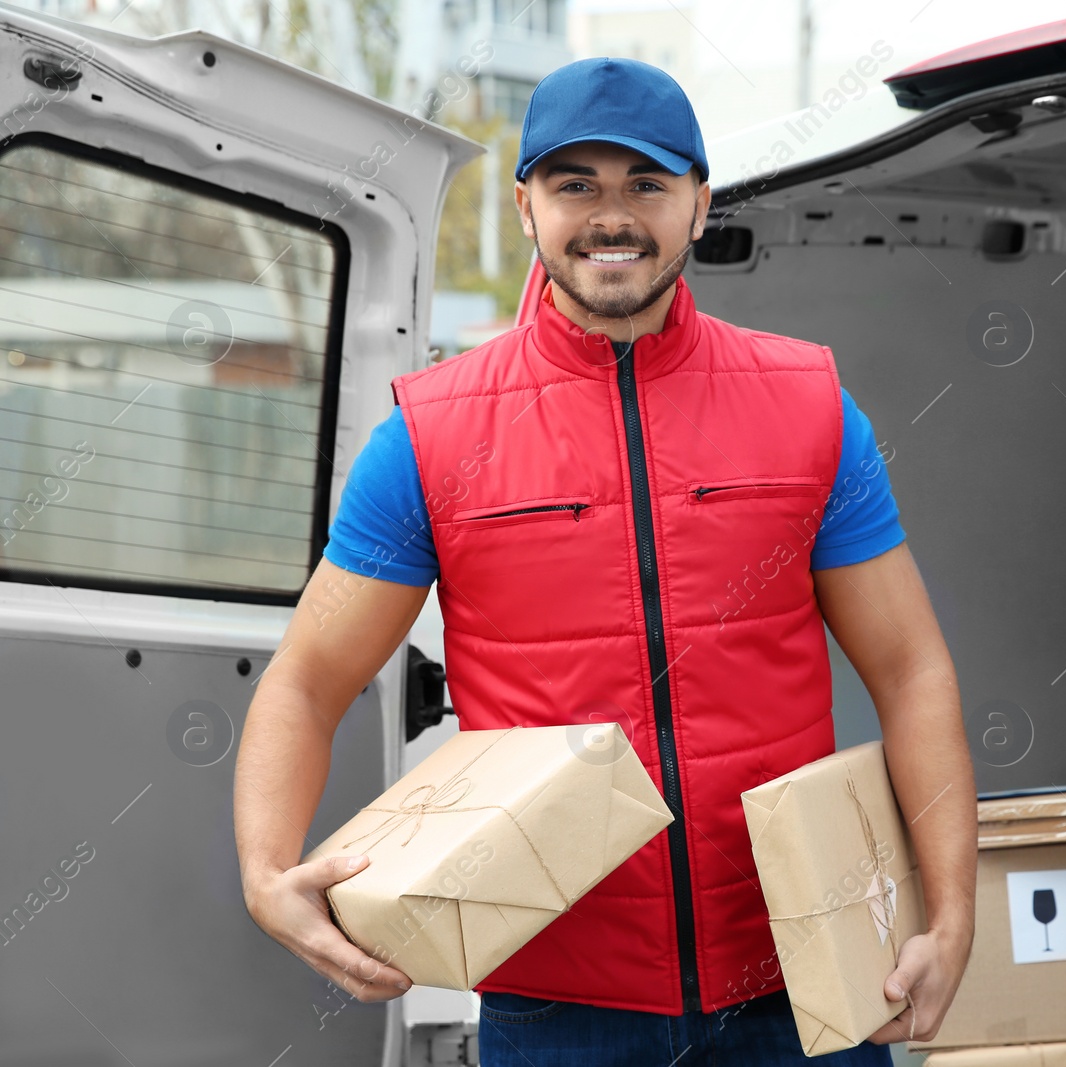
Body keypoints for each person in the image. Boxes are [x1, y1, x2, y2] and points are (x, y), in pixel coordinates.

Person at [234, 56, 975, 1065]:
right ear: (527, 205)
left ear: (701, 204)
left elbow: (910, 668)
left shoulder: (809, 408)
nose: (610, 214)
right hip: (556, 1001)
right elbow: (309, 679)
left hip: (802, 976)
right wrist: (268, 870)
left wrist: (951, 911)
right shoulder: (432, 435)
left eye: (646, 183)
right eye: (575, 183)